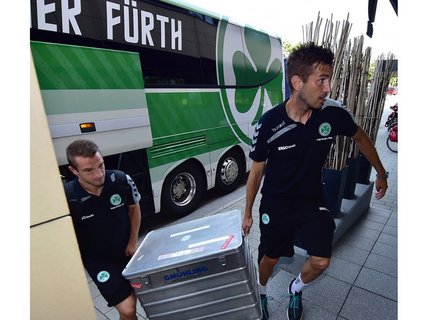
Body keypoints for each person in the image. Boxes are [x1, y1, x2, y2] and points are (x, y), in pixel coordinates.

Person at [242, 42, 388, 320]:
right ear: (297, 82)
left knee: (321, 260)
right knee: (270, 259)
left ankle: (296, 289)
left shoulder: (332, 114)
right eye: (321, 80)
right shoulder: (269, 124)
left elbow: (360, 137)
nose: (328, 87)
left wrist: (380, 173)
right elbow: (256, 173)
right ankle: (260, 291)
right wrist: (248, 212)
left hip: (312, 200)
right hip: (277, 203)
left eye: (329, 79)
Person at [64, 139, 142, 320]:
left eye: (101, 165)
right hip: (99, 262)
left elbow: (134, 208)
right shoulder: (67, 198)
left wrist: (133, 242)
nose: (99, 174)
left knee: (137, 302)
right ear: (74, 171)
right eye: (89, 170)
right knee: (128, 309)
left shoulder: (121, 180)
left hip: (128, 252)